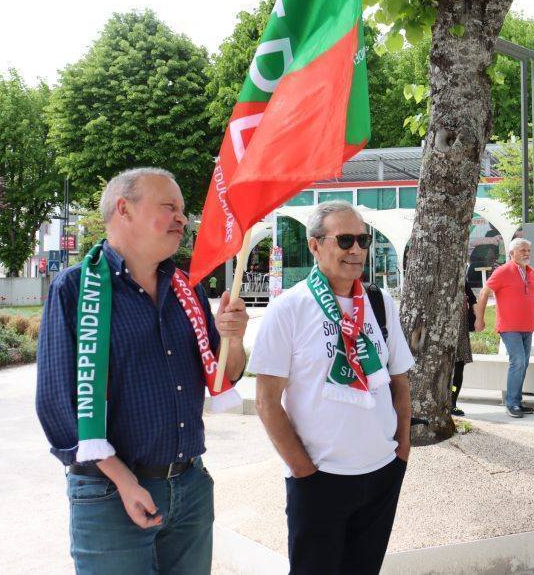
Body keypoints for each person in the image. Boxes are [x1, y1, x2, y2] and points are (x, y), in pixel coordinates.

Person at [36, 167, 249, 574]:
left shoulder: (188, 289)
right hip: (110, 494)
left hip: (189, 485)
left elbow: (225, 374)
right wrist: (123, 480)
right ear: (124, 209)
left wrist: (233, 339)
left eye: (182, 210)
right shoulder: (75, 289)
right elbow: (57, 404)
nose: (183, 219)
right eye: (169, 207)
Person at [248, 201, 414, 575]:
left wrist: (401, 452)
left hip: (382, 473)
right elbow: (266, 401)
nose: (356, 250)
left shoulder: (379, 302)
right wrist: (303, 470)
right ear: (315, 245)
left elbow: (400, 382)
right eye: (344, 240)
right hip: (319, 480)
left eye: (362, 240)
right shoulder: (289, 308)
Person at [474, 237, 534, 418]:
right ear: (512, 253)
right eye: (523, 250)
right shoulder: (502, 271)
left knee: (523, 364)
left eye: (528, 250)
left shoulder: (532, 273)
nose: (527, 254)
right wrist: (479, 319)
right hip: (509, 327)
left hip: (528, 327)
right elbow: (484, 293)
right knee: (518, 361)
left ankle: (517, 402)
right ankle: (512, 403)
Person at [452, 263, 476, 416]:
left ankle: (452, 402)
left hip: (460, 334)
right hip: (442, 336)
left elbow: (473, 299)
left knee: (459, 367)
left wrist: (478, 319)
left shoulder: (462, 280)